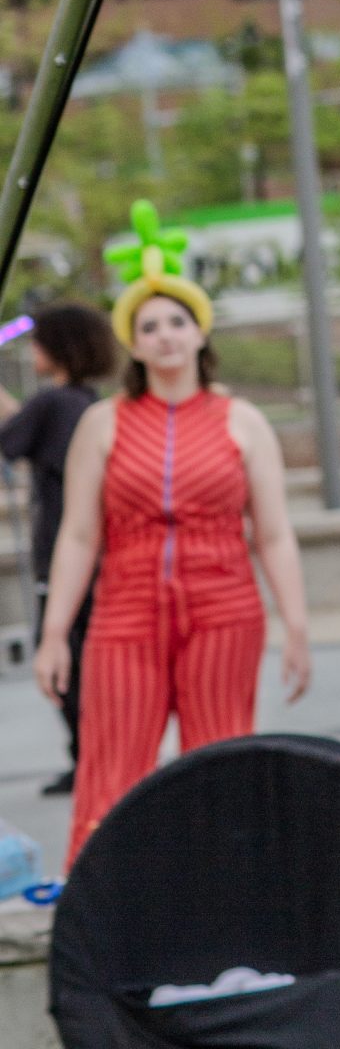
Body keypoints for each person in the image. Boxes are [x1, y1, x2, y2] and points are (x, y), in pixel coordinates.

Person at [37, 251, 312, 861]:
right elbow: (80, 536)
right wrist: (55, 632)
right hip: (125, 610)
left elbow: (273, 533)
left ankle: (230, 896)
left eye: (176, 322)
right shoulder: (102, 423)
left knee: (220, 756)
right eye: (149, 327)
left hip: (224, 606)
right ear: (132, 345)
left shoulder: (243, 422)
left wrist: (296, 623)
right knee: (112, 760)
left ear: (201, 332)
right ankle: (105, 905)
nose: (165, 336)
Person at [0, 304, 119, 795]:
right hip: (94, 557)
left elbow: (8, 437)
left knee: (66, 659)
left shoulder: (55, 405)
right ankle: (94, 754)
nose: (32, 350)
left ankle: (87, 758)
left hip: (64, 557)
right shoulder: (84, 403)